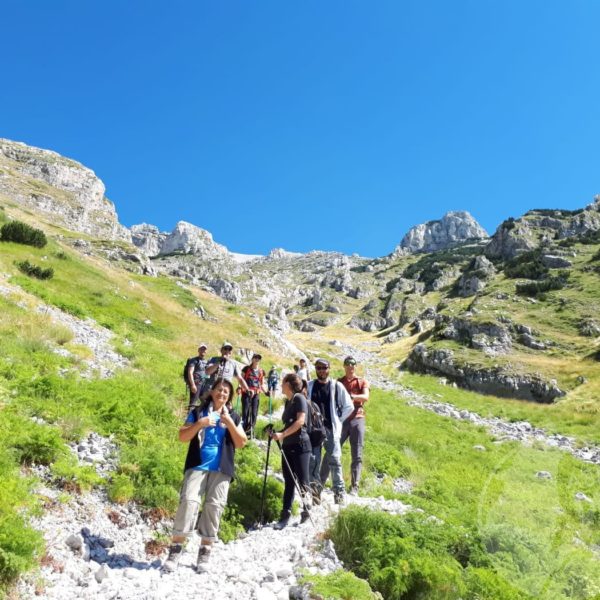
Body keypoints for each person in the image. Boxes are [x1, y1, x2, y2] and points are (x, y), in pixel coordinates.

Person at [162, 378, 247, 573]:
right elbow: (182, 436)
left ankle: (205, 551)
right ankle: (175, 550)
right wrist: (201, 423)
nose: (222, 394)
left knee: (214, 507)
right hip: (197, 465)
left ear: (230, 396)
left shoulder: (234, 416)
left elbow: (242, 442)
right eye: (219, 390)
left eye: (226, 391)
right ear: (211, 392)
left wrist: (229, 423)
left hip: (222, 469)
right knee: (189, 501)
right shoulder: (198, 412)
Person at [307, 358, 353, 505]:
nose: (321, 370)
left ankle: (339, 495)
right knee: (313, 462)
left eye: (324, 368)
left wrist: (338, 420)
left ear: (329, 369)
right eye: (319, 368)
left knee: (335, 461)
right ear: (315, 369)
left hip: (330, 429)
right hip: (313, 431)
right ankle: (315, 495)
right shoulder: (309, 386)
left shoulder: (336, 386)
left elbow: (349, 406)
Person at [269, 373, 312, 529]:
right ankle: (285, 516)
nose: (281, 385)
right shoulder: (289, 402)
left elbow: (301, 421)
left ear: (288, 384)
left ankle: (307, 511)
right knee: (289, 481)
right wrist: (277, 433)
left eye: (283, 382)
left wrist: (282, 434)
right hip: (288, 445)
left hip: (300, 445)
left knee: (302, 481)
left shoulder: (299, 398)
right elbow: (289, 425)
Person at [337, 356, 370, 495]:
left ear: (356, 366)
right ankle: (329, 481)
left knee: (357, 454)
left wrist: (352, 396)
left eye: (353, 364)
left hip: (358, 418)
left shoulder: (362, 381)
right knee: (333, 449)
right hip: (342, 419)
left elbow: (366, 397)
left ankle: (354, 486)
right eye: (348, 364)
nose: (350, 366)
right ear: (344, 366)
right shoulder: (339, 382)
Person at [241, 354, 266, 437]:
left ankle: (251, 430)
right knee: (245, 412)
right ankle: (243, 429)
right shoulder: (246, 369)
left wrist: (266, 392)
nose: (257, 359)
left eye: (259, 358)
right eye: (255, 358)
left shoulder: (261, 371)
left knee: (254, 413)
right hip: (246, 393)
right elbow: (241, 380)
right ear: (252, 359)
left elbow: (261, 384)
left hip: (256, 394)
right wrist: (239, 388)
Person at [187, 343, 209, 408]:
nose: (203, 350)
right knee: (193, 403)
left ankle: (198, 415)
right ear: (198, 350)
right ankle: (189, 416)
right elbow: (190, 372)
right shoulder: (193, 360)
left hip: (204, 385)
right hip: (196, 384)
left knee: (205, 402)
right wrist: (192, 385)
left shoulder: (206, 361)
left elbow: (206, 373)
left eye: (204, 349)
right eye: (202, 349)